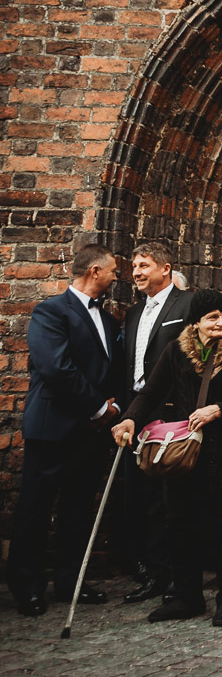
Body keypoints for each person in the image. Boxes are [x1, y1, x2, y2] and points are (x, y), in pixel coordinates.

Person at [111, 289, 222, 627]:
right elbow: (150, 393)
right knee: (181, 525)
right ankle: (186, 596)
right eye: (213, 317)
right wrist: (129, 419)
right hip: (187, 455)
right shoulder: (176, 351)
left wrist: (219, 410)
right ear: (195, 322)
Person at [7, 243, 123, 617]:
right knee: (36, 508)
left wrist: (115, 405)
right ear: (94, 271)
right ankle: (27, 585)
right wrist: (98, 408)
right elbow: (56, 368)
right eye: (112, 271)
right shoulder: (51, 311)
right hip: (53, 427)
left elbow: (112, 372)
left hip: (89, 434)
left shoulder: (108, 321)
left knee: (77, 509)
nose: (116, 276)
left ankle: (71, 582)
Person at [121, 242, 193, 605]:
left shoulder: (187, 304)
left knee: (170, 499)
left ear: (166, 268)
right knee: (142, 497)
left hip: (172, 412)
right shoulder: (134, 312)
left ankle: (177, 577)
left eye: (144, 264)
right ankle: (152, 572)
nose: (136, 271)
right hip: (138, 410)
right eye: (134, 265)